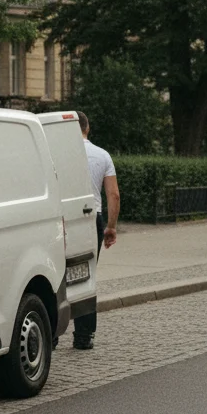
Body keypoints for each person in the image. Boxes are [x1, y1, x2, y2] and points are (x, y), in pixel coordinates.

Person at [75, 111, 120, 350]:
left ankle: (49, 336)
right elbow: (113, 194)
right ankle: (84, 336)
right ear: (87, 128)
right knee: (87, 275)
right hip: (92, 218)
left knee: (55, 275)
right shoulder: (102, 155)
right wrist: (111, 227)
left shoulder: (57, 154)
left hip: (62, 219)